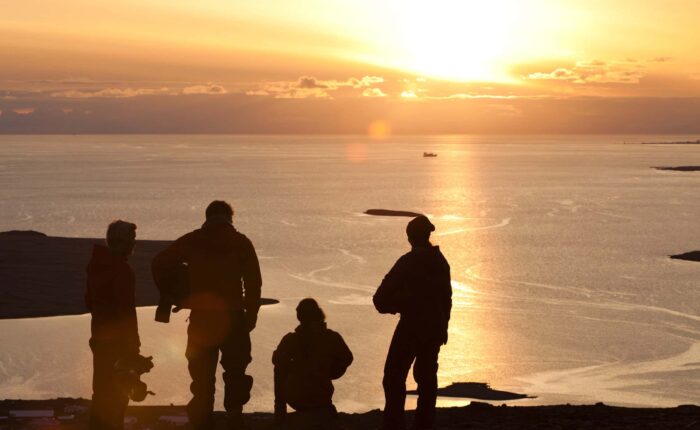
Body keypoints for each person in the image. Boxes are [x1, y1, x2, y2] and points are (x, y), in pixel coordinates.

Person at [152, 200, 262, 430]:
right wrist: (250, 317)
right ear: (230, 217)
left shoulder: (193, 240)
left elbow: (160, 262)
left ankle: (202, 421)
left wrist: (173, 293)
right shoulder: (241, 242)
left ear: (207, 216)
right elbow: (254, 284)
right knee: (236, 372)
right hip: (233, 317)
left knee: (202, 377)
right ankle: (234, 417)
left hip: (202, 319)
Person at [373, 215, 452, 430]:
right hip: (434, 329)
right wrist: (443, 326)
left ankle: (394, 425)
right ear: (427, 235)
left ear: (410, 238)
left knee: (394, 377)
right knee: (426, 380)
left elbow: (380, 300)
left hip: (412, 327)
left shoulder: (408, 263)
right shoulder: (440, 262)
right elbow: (447, 299)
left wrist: (400, 304)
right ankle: (423, 425)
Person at [86, 220, 142, 430]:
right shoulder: (122, 270)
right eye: (132, 239)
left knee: (100, 393)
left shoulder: (94, 265)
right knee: (119, 396)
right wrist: (134, 347)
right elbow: (126, 312)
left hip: (99, 339)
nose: (134, 244)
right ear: (124, 242)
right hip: (119, 344)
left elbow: (89, 301)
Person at [272, 298, 353, 429]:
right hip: (323, 398)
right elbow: (347, 358)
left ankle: (280, 415)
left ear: (299, 317)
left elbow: (276, 360)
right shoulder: (332, 337)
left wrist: (296, 367)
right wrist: (330, 372)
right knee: (281, 364)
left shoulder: (290, 340)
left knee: (280, 368)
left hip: (297, 399)